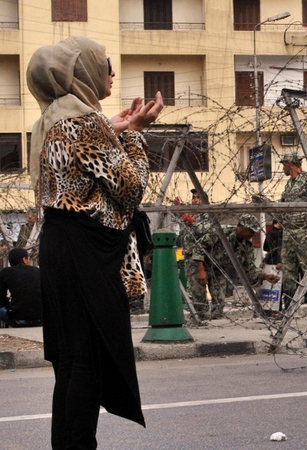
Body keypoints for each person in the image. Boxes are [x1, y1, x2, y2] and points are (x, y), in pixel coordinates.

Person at [27, 36, 164, 448]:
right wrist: (137, 133)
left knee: (70, 363)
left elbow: (81, 168)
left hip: (60, 245)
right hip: (88, 251)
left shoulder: (54, 120)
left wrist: (116, 128)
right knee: (87, 360)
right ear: (82, 72)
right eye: (105, 64)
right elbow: (131, 187)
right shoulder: (85, 123)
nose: (112, 72)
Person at [193, 214, 272, 320]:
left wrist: (265, 276)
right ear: (242, 228)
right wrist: (201, 271)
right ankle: (198, 320)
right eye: (251, 231)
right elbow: (199, 247)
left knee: (219, 303)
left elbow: (249, 268)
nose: (253, 235)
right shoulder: (221, 232)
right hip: (199, 263)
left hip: (218, 268)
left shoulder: (246, 245)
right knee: (198, 298)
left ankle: (213, 326)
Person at [277, 153, 307, 320]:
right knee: (288, 271)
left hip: (303, 232)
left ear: (290, 164)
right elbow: (282, 205)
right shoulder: (289, 185)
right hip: (289, 233)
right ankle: (288, 307)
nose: (282, 168)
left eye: (283, 165)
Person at [175, 188, 212, 317]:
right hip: (189, 256)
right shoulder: (192, 216)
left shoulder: (207, 215)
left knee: (199, 288)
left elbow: (199, 230)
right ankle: (196, 313)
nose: (195, 200)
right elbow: (182, 237)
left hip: (201, 257)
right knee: (192, 287)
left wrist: (184, 215)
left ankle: (201, 314)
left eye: (198, 197)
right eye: (193, 197)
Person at [0, 248, 42, 327]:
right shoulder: (37, 271)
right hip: (40, 317)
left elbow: (1, 297)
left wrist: (8, 305)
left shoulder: (5, 272)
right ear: (24, 259)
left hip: (18, 319)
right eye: (28, 259)